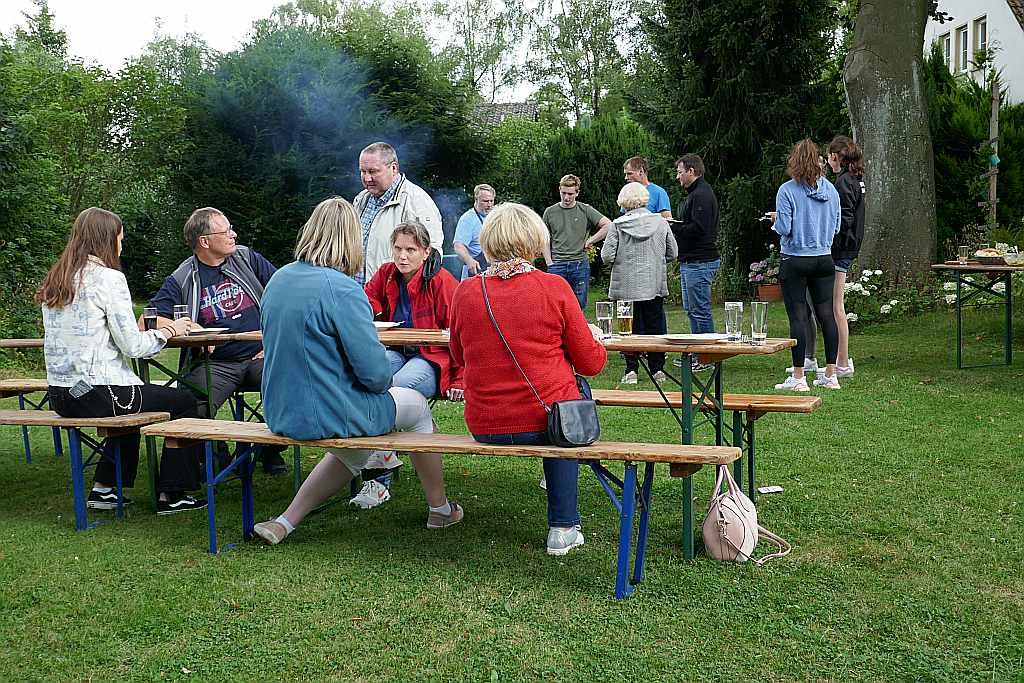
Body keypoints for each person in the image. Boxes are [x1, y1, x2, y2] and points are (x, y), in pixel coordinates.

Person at [252, 197, 461, 546]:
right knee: (416, 408)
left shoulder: (278, 279)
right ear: (351, 238)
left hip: (280, 410)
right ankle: (439, 509)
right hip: (329, 411)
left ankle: (285, 521)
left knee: (358, 445)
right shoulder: (344, 288)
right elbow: (377, 376)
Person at [449, 203, 607, 556]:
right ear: (535, 242)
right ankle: (563, 527)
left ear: (488, 242)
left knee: (561, 404)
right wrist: (592, 340)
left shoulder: (466, 292)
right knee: (567, 405)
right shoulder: (554, 287)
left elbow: (458, 358)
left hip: (485, 423)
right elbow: (591, 363)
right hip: (545, 420)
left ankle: (564, 524)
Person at [38, 207, 206, 515]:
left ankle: (106, 489)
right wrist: (169, 331)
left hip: (62, 394)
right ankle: (174, 493)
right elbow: (133, 345)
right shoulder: (108, 279)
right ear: (108, 240)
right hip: (100, 391)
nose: (122, 245)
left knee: (136, 399)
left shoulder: (58, 278)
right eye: (120, 238)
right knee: (183, 401)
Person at [146, 207, 288, 474]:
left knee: (292, 383)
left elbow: (286, 294)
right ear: (205, 241)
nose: (233, 234)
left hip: (261, 356)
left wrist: (272, 345)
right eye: (226, 231)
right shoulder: (182, 278)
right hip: (216, 364)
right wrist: (187, 326)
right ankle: (215, 453)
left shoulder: (246, 258)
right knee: (190, 403)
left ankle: (267, 449)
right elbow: (147, 321)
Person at [355, 220, 465, 508]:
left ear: (426, 252)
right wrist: (375, 309)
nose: (402, 256)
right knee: (369, 378)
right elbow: (365, 300)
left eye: (411, 250)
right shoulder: (386, 273)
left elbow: (463, 335)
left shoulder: (442, 282)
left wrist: (459, 380)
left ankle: (380, 466)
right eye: (398, 249)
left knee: (397, 388)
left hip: (431, 357)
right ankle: (388, 453)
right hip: (396, 349)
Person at [769, 139, 842, 392]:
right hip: (824, 258)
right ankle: (831, 374)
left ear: (794, 162)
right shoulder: (831, 191)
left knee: (798, 316)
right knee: (827, 315)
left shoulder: (787, 190)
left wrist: (776, 221)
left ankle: (799, 377)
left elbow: (785, 228)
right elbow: (837, 227)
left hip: (795, 259)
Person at [601, 182, 677, 385]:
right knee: (655, 326)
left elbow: (606, 256)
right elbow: (673, 252)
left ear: (623, 201)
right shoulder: (661, 222)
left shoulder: (618, 225)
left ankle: (631, 370)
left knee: (629, 329)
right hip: (654, 285)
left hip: (626, 287)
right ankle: (657, 369)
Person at [353, 142, 443, 284]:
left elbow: (431, 257)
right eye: (363, 171)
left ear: (393, 168)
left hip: (394, 298)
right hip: (359, 294)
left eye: (373, 171)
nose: (366, 178)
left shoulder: (418, 202)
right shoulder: (361, 199)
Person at [541, 174, 612, 310]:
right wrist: (549, 262)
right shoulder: (550, 212)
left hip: (579, 264)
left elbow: (608, 225)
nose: (567, 197)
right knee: (554, 306)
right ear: (559, 190)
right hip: (557, 265)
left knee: (578, 307)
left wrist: (590, 240)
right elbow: (543, 238)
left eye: (570, 194)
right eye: (564, 193)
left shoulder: (584, 209)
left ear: (577, 193)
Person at [671, 154, 720, 347]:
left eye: (680, 172)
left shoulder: (701, 195)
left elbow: (699, 228)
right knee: (692, 309)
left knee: (700, 309)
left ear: (692, 171)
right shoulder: (695, 194)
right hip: (691, 261)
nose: (678, 177)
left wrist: (673, 226)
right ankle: (698, 350)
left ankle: (706, 353)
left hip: (700, 261)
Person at [827, 135, 866, 377]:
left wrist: (830, 242)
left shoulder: (843, 183)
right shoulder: (856, 179)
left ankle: (842, 362)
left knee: (836, 307)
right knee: (835, 306)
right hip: (849, 247)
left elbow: (844, 219)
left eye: (829, 156)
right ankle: (841, 360)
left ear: (835, 157)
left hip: (842, 250)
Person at [453, 184, 496, 279]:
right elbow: (458, 246)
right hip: (475, 272)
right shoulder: (467, 219)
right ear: (476, 200)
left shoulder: (495, 216)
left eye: (491, 201)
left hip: (493, 270)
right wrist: (469, 260)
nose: (489, 205)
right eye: (485, 201)